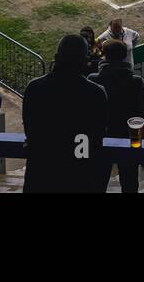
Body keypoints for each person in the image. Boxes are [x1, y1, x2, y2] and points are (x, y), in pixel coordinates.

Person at [21, 34, 108, 193]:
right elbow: (97, 138)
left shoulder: (34, 88)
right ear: (84, 61)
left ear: (56, 57)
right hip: (79, 178)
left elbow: (30, 131)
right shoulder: (96, 94)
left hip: (40, 178)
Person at [87, 38, 144, 192]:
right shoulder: (136, 82)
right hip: (129, 139)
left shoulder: (93, 80)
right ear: (124, 57)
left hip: (99, 141)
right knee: (129, 182)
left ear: (105, 56)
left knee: (97, 182)